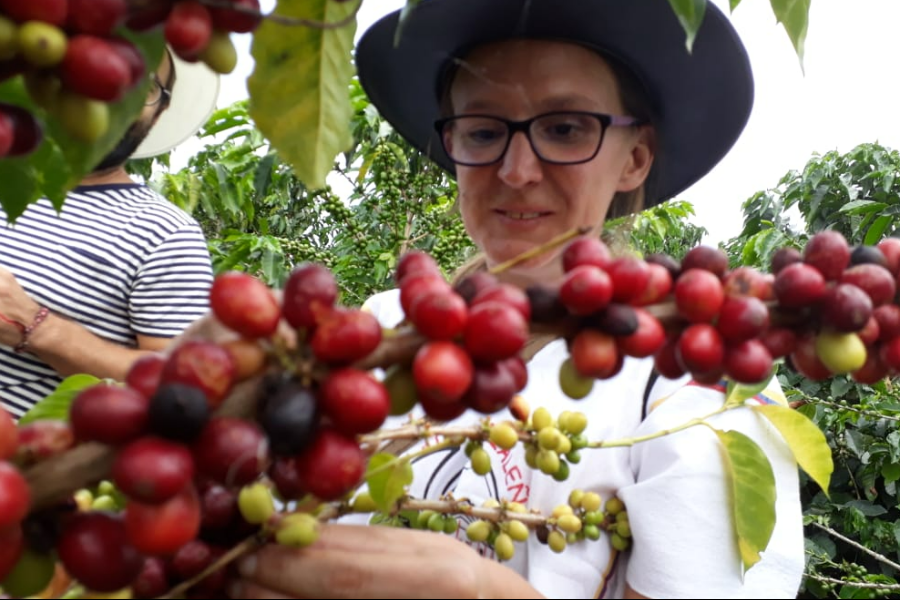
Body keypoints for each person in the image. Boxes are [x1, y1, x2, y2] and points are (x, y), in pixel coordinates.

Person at [224, 0, 806, 598]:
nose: (517, 168)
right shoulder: (384, 325)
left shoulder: (698, 377)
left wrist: (485, 588)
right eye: (482, 131)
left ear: (634, 158)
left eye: (565, 128)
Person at [0, 49, 220, 420]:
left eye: (144, 84)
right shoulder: (10, 175)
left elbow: (178, 389)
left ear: (160, 111)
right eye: (104, 66)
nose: (117, 93)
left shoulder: (165, 234)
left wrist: (38, 328)